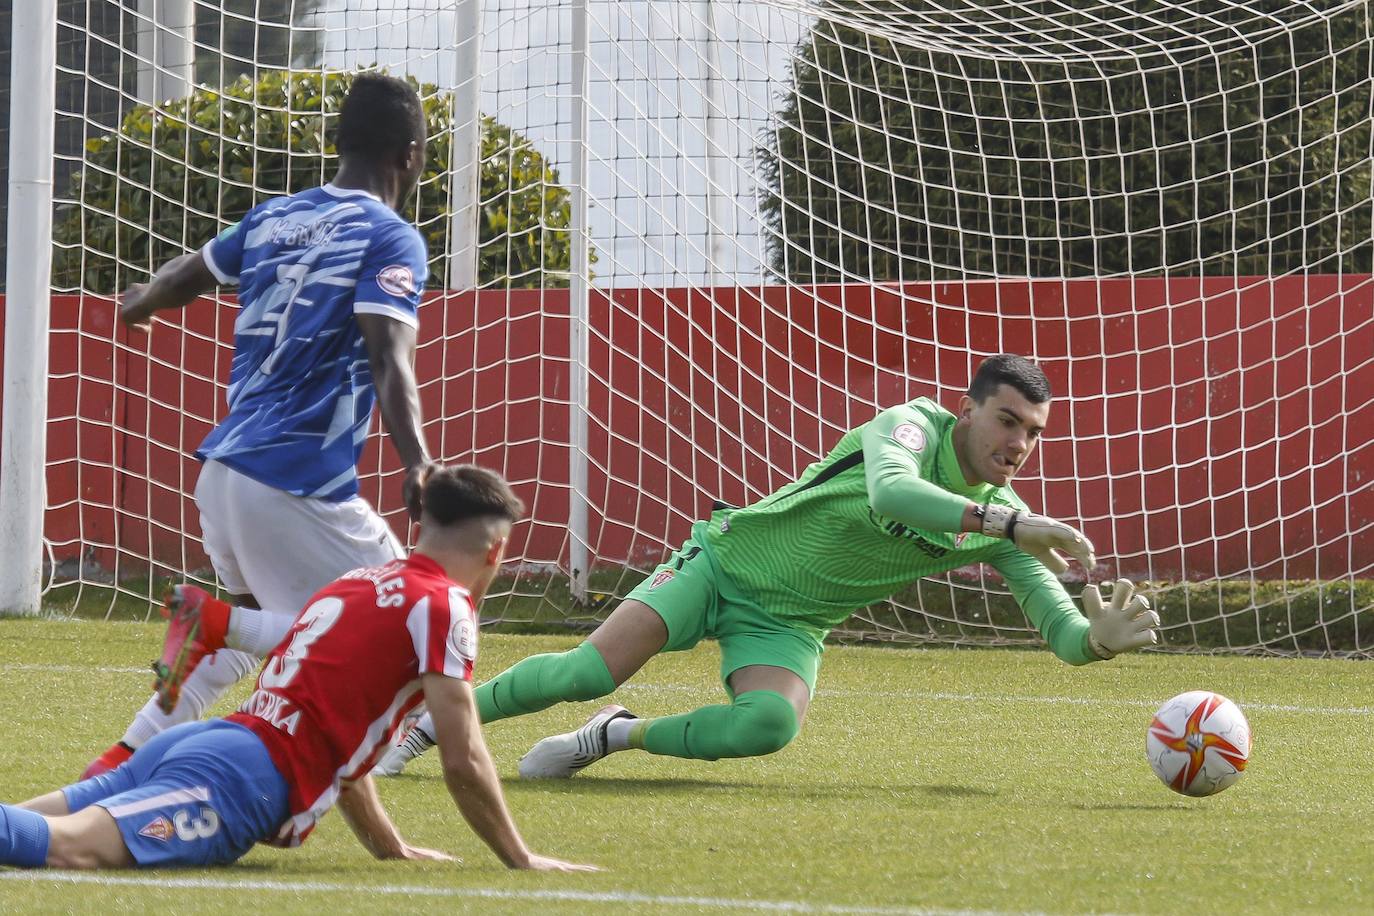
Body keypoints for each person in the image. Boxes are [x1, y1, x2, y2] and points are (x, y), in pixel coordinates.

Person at [374, 354, 1161, 779]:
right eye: (1007, 421)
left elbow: (1056, 627)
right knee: (588, 670)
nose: (1019, 443)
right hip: (724, 562)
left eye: (1033, 432)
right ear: (968, 410)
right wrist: (1011, 521)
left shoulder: (1003, 520)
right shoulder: (910, 428)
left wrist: (1093, 639)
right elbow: (896, 492)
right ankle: (422, 726)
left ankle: (614, 740)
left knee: (769, 726)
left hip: (788, 623)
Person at [84, 72, 438, 777]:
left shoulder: (277, 217)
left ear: (339, 145)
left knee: (232, 652)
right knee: (412, 621)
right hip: (296, 480)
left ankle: (117, 768)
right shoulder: (391, 238)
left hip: (222, 475)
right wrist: (418, 461)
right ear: (410, 154)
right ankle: (224, 628)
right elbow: (387, 356)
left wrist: (141, 302)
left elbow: (189, 274)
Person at [0, 466, 596, 873]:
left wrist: (388, 847)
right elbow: (462, 756)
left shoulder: (359, 581)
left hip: (211, 741)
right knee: (66, 848)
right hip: (241, 780)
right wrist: (521, 857)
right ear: (495, 550)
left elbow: (340, 739)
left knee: (27, 821)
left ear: (422, 528)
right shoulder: (445, 608)